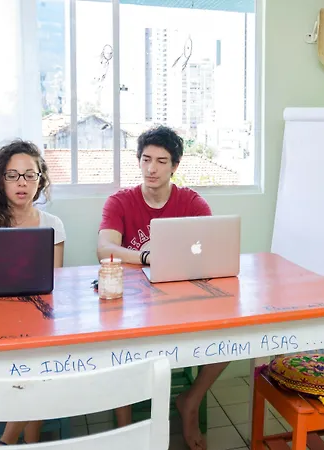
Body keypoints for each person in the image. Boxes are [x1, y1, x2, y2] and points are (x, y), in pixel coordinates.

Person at [97, 125, 229, 450]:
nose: (151, 168)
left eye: (161, 161)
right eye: (146, 159)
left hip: (181, 300)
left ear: (175, 166)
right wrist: (146, 257)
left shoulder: (191, 202)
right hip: (133, 304)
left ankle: (190, 401)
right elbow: (104, 249)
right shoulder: (120, 201)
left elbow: (212, 246)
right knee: (118, 346)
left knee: (230, 336)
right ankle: (126, 431)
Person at [0, 139, 66, 445]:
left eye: (30, 175)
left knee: (45, 358)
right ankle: (15, 440)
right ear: (0, 180)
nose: (22, 183)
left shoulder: (53, 225)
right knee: (38, 365)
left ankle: (16, 441)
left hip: (39, 321)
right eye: (13, 175)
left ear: (40, 180)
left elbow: (55, 283)